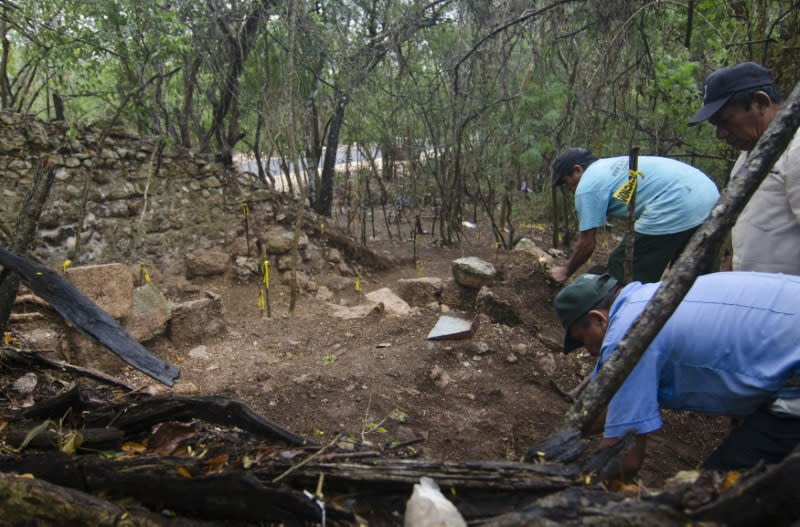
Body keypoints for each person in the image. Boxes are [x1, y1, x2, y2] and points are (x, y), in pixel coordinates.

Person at [554, 272, 800, 479]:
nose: (588, 350)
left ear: (598, 320)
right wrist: (565, 438)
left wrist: (571, 489)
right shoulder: (648, 298)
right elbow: (609, 402)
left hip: (793, 375)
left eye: (581, 339)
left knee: (709, 496)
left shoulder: (629, 335)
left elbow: (624, 457)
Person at [689, 61, 800, 275]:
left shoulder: (795, 148)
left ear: (761, 102)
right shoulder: (746, 158)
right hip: (756, 294)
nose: (721, 133)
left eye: (725, 120)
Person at [549, 148, 719, 284]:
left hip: (677, 201)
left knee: (622, 263)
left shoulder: (587, 186)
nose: (568, 188)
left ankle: (625, 316)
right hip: (708, 195)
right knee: (692, 273)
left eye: (565, 182)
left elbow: (587, 243)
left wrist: (565, 271)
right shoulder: (606, 167)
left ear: (577, 170)